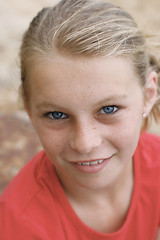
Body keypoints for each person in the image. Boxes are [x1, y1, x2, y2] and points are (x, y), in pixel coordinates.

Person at [0, 0, 160, 239]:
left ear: (148, 95)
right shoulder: (18, 225)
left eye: (108, 109)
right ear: (30, 111)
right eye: (57, 115)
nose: (85, 144)